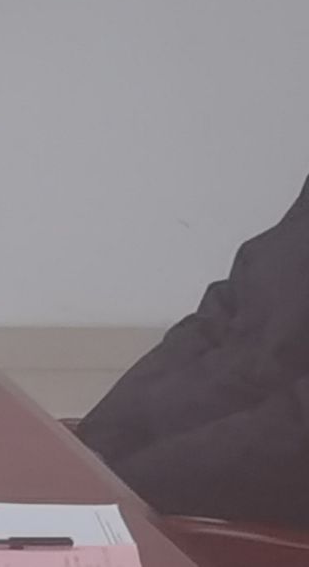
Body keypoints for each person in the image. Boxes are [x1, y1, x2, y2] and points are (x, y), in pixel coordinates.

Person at [75, 174, 309, 527]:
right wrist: (99, 442)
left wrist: (131, 481)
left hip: (254, 511)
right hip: (174, 467)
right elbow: (218, 316)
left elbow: (295, 431)